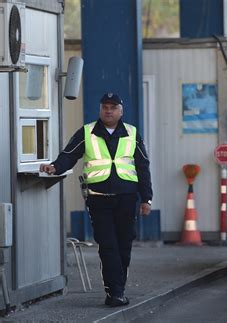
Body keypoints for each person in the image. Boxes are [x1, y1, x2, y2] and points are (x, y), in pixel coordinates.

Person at [40, 93, 152, 307]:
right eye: (105, 107)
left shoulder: (132, 133)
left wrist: (147, 198)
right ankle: (115, 293)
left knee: (123, 246)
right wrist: (54, 167)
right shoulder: (87, 132)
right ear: (100, 109)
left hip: (127, 199)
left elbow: (143, 166)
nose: (108, 111)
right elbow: (69, 155)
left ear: (121, 111)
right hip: (98, 199)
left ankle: (119, 287)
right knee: (108, 246)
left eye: (113, 107)